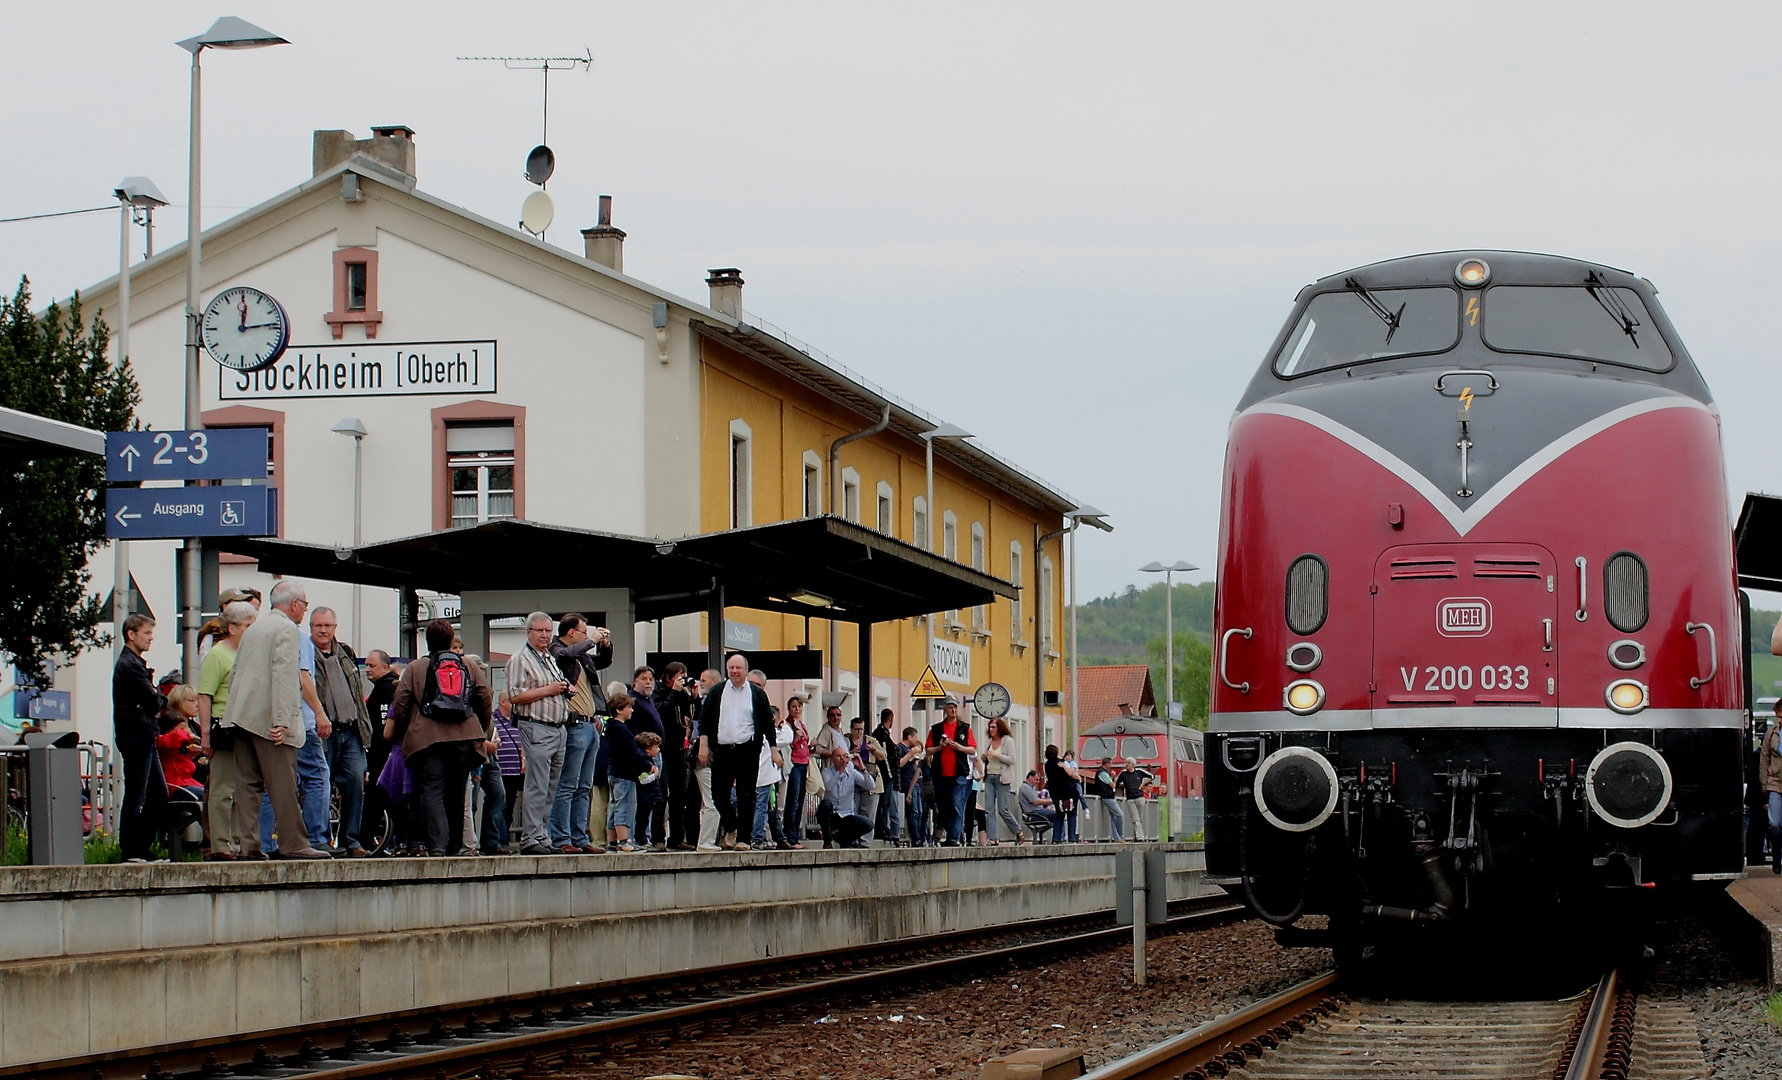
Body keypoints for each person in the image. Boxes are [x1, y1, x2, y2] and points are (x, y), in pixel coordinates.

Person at [228, 582, 330, 859]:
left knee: (248, 784)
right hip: (269, 717)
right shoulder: (288, 630)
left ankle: (248, 845)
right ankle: (294, 843)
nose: (304, 611)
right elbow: (286, 675)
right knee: (282, 782)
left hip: (241, 714)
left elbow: (236, 672)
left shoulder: (254, 628)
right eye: (305, 605)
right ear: (295, 604)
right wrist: (283, 720)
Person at [385, 619, 494, 856]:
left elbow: (401, 702)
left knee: (431, 790)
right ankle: (455, 845)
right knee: (456, 793)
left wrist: (406, 730)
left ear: (428, 641)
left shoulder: (415, 667)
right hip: (464, 738)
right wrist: (479, 727)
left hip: (428, 740)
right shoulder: (467, 664)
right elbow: (485, 695)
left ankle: (436, 845)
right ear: (450, 639)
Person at [307, 607, 372, 857]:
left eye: (327, 626)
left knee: (356, 782)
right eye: (317, 626)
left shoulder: (346, 653)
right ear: (310, 627)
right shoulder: (306, 654)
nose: (322, 630)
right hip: (324, 732)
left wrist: (365, 729)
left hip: (351, 731)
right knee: (321, 785)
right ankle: (320, 840)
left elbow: (357, 693)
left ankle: (351, 841)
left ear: (335, 627)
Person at [547, 613, 613, 855]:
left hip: (590, 723)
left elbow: (602, 662)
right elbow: (563, 656)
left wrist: (605, 646)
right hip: (572, 725)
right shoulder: (558, 649)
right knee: (567, 784)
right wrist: (591, 641)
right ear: (572, 633)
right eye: (584, 632)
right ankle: (561, 837)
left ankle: (580, 837)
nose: (588, 637)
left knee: (584, 786)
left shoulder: (582, 656)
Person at [508, 612, 571, 855]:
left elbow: (554, 687)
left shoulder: (548, 658)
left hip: (558, 727)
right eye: (540, 631)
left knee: (551, 785)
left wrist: (564, 690)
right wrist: (549, 690)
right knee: (537, 784)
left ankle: (542, 835)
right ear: (529, 632)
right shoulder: (520, 659)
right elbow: (515, 696)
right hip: (537, 726)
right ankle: (531, 837)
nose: (545, 635)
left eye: (548, 631)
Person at [698, 653, 776, 851]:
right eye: (731, 667)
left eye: (738, 668)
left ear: (746, 670)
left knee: (746, 795)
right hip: (723, 749)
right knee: (718, 794)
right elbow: (705, 720)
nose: (734, 671)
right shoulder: (718, 691)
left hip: (747, 749)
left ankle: (744, 839)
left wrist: (774, 750)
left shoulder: (756, 694)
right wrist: (703, 746)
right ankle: (731, 826)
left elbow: (768, 723)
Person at [197, 601, 255, 860]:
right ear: (232, 628)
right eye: (247, 626)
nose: (251, 631)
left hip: (242, 723)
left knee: (238, 787)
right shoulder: (217, 656)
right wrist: (205, 734)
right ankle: (220, 843)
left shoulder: (244, 653)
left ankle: (233, 840)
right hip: (222, 724)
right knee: (222, 788)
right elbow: (204, 696)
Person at [111, 612, 168, 862]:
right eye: (146, 633)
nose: (150, 638)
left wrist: (155, 700)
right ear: (131, 635)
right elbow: (153, 699)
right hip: (136, 734)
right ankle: (131, 850)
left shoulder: (134, 664)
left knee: (157, 793)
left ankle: (141, 847)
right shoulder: (130, 665)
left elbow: (153, 700)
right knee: (138, 793)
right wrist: (157, 699)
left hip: (143, 733)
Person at [654, 662, 698, 850]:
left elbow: (693, 716)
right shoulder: (659, 690)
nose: (682, 680)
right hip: (662, 749)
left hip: (679, 748)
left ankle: (677, 838)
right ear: (669, 677)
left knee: (680, 795)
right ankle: (657, 838)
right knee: (661, 795)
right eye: (680, 676)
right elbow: (661, 710)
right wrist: (674, 692)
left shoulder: (683, 695)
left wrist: (694, 697)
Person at [925, 697, 977, 846]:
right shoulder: (936, 729)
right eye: (950, 707)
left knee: (956, 804)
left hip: (959, 773)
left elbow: (973, 748)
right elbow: (928, 751)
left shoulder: (965, 728)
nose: (953, 710)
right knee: (943, 806)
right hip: (940, 774)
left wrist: (959, 747)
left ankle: (953, 838)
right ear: (945, 709)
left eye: (955, 707)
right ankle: (955, 834)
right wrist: (940, 748)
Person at [627, 667, 668, 849]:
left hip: (655, 754)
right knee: (644, 800)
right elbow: (632, 729)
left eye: (651, 679)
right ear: (635, 681)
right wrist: (644, 750)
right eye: (644, 679)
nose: (648, 682)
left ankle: (648, 835)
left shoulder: (648, 700)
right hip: (645, 756)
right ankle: (640, 836)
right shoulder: (633, 701)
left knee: (654, 798)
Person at [604, 691, 646, 852]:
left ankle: (612, 841)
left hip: (613, 772)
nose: (632, 711)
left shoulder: (611, 729)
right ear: (619, 710)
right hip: (625, 774)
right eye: (629, 707)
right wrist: (647, 766)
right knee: (625, 805)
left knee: (614, 805)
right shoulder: (622, 731)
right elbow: (631, 753)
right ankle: (624, 841)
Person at [817, 745, 876, 848]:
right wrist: (840, 772)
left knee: (868, 824)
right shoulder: (827, 772)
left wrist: (862, 768)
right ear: (832, 759)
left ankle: (843, 840)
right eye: (838, 756)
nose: (842, 759)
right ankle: (827, 842)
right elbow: (829, 787)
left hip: (846, 815)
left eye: (844, 756)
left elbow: (871, 786)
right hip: (831, 814)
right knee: (825, 804)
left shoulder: (852, 773)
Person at [691, 668, 723, 850]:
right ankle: (705, 841)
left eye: (704, 680)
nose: (700, 683)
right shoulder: (706, 704)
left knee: (710, 800)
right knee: (712, 801)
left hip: (712, 758)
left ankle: (707, 839)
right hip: (705, 758)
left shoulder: (713, 702)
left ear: (714, 681)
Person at [157, 685, 206, 799]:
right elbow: (165, 744)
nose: (196, 705)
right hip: (177, 784)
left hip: (188, 780)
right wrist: (186, 736)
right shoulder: (169, 723)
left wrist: (190, 757)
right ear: (179, 702)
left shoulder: (195, 726)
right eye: (191, 700)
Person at [979, 717, 1022, 844]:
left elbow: (1012, 760)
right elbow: (988, 757)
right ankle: (993, 838)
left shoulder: (1007, 741)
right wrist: (984, 758)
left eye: (994, 727)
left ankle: (1017, 830)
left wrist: (997, 755)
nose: (991, 730)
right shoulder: (990, 741)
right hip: (989, 777)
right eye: (990, 727)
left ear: (1000, 728)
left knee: (1003, 809)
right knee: (989, 809)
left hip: (1002, 778)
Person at [752, 708, 790, 849]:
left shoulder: (754, 733)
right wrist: (783, 724)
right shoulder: (769, 734)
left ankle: (776, 837)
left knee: (770, 809)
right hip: (765, 777)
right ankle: (757, 838)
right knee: (762, 808)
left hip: (762, 776)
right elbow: (788, 737)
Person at [848, 715, 886, 837]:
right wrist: (850, 753)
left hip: (869, 778)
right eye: (856, 729)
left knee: (868, 813)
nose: (859, 732)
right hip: (852, 780)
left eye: (861, 729)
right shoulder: (846, 740)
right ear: (851, 729)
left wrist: (874, 750)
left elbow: (883, 756)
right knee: (852, 811)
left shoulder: (871, 740)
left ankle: (865, 841)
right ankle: (853, 838)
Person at [782, 695, 812, 844]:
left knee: (800, 800)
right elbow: (788, 743)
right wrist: (796, 737)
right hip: (794, 763)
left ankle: (795, 833)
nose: (797, 709)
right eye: (794, 707)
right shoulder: (788, 725)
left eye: (799, 706)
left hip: (803, 762)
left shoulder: (801, 724)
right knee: (792, 800)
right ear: (789, 709)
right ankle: (790, 835)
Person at [871, 708, 900, 842]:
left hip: (886, 774)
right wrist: (889, 773)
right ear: (891, 719)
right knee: (883, 803)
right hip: (884, 774)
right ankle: (880, 828)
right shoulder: (881, 734)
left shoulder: (883, 733)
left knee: (885, 803)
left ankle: (882, 827)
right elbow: (885, 755)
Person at [634, 729, 666, 850]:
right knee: (642, 820)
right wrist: (655, 775)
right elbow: (642, 780)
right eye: (656, 747)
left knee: (645, 819)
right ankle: (641, 840)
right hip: (645, 796)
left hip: (649, 796)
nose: (658, 750)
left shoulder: (648, 760)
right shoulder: (644, 762)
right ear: (648, 748)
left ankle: (644, 839)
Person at [897, 727, 927, 846]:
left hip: (915, 783)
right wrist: (910, 753)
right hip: (907, 782)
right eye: (915, 737)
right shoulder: (901, 748)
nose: (916, 740)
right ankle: (916, 838)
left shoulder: (910, 750)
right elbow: (900, 763)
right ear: (909, 737)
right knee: (914, 812)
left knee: (919, 812)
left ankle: (919, 836)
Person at [1044, 745, 1080, 844]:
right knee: (1071, 815)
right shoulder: (1062, 762)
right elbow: (1071, 773)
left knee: (1059, 815)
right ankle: (1072, 838)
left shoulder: (1047, 765)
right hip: (1069, 792)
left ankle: (1056, 838)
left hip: (1055, 793)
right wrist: (1078, 778)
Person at [1762, 703, 1782, 875]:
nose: (1779, 720)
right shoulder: (1772, 734)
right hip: (1775, 782)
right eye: (1778, 716)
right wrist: (1764, 783)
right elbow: (1764, 758)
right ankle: (1776, 855)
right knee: (1774, 824)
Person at [1119, 757, 1156, 842]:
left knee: (1138, 819)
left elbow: (1152, 776)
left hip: (1140, 797)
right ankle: (1140, 837)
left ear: (1133, 764)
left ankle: (1135, 837)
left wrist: (1143, 783)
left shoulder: (1139, 771)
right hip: (1130, 799)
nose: (1126, 764)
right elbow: (1117, 783)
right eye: (1126, 763)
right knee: (1135, 819)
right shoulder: (1123, 774)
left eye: (1128, 763)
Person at [1090, 757, 1125, 842]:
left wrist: (1112, 776)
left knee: (1113, 817)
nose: (1111, 766)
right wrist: (1114, 778)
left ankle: (1117, 837)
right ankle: (1119, 836)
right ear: (1107, 764)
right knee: (1119, 814)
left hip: (1108, 796)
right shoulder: (1102, 773)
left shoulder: (1103, 772)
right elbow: (1112, 785)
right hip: (1108, 797)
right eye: (1110, 764)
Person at [1019, 769, 1056, 838]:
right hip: (1034, 814)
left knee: (1058, 815)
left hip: (1037, 812)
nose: (1038, 782)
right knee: (1057, 815)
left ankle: (1058, 837)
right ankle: (1058, 838)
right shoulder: (1025, 787)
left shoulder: (1030, 788)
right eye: (1036, 779)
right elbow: (1035, 801)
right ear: (1030, 777)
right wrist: (1052, 801)